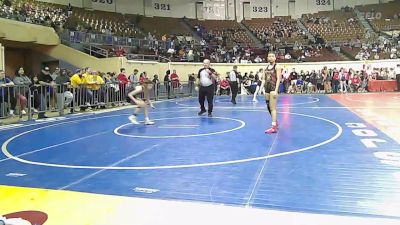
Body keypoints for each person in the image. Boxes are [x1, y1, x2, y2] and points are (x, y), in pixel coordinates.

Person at [261, 52, 281, 134]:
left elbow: (279, 79)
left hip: (273, 89)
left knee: (273, 108)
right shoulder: (265, 68)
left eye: (272, 56)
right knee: (268, 107)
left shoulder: (277, 67)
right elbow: (263, 79)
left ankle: (273, 127)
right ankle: (275, 122)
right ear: (267, 58)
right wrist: (261, 89)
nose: (271, 57)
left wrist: (276, 90)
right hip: (267, 89)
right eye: (269, 56)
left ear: (275, 58)